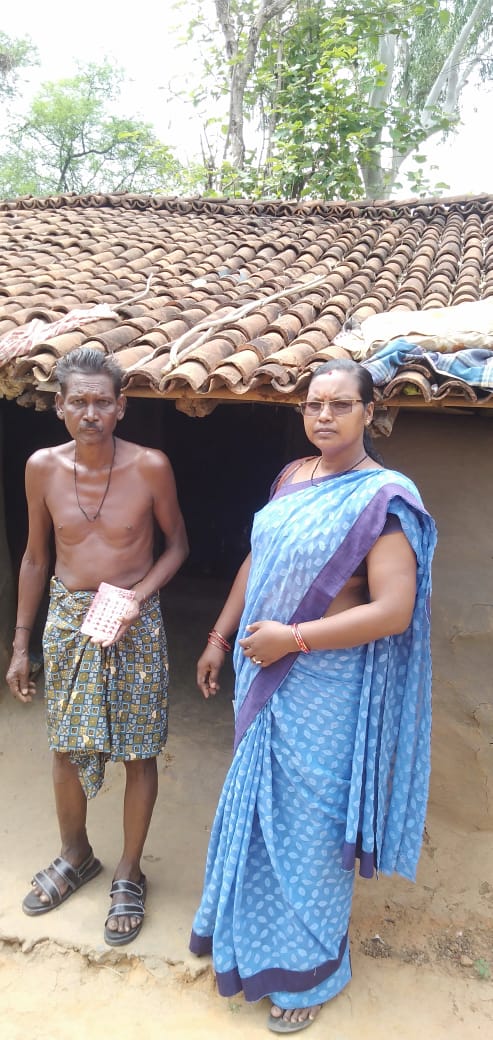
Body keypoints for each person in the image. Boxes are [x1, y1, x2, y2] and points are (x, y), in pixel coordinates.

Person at [190, 359, 436, 1033]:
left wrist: (291, 639)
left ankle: (312, 972)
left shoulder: (380, 498)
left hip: (325, 692)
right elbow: (255, 559)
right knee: (263, 820)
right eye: (312, 405)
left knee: (310, 836)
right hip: (262, 678)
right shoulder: (291, 480)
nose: (323, 415)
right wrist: (219, 634)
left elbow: (392, 608)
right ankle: (255, 945)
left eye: (339, 404)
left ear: (369, 413)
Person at [6, 347, 188, 946]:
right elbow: (36, 556)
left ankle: (130, 871)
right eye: (78, 402)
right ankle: (76, 854)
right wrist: (21, 643)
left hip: (134, 621)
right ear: (58, 406)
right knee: (66, 743)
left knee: (139, 749)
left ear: (121, 407)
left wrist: (138, 597)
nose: (91, 413)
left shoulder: (151, 466)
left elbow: (176, 546)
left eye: (102, 402)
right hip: (67, 620)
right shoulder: (42, 468)